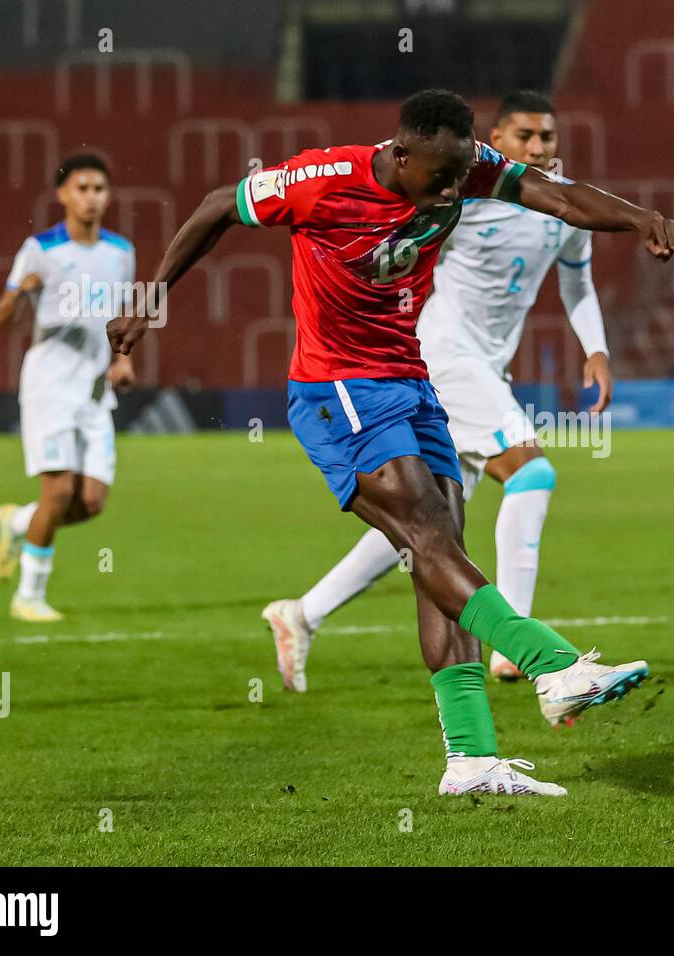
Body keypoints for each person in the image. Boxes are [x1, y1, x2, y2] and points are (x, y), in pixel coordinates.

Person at [106, 89, 674, 797]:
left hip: (410, 378)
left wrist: (640, 219)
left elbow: (555, 197)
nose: (450, 193)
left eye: (458, 179)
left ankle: (471, 760)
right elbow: (213, 207)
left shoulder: (463, 164)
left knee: (438, 557)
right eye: (438, 180)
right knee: (427, 535)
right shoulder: (321, 182)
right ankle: (554, 665)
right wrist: (151, 299)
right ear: (400, 153)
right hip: (338, 387)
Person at [261, 90, 610, 687]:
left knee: (431, 527)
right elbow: (403, 206)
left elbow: (578, 285)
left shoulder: (560, 212)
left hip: (485, 367)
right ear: (495, 142)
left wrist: (596, 349)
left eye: (547, 137)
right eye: (524, 136)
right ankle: (518, 646)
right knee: (531, 473)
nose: (538, 147)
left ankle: (304, 612)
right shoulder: (465, 190)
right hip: (441, 351)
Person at [0, 153, 136, 622]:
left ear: (108, 196)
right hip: (49, 386)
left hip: (95, 392)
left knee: (90, 501)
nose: (91, 197)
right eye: (81, 188)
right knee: (57, 493)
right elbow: (0, 316)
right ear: (62, 195)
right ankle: (28, 597)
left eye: (99, 189)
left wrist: (122, 359)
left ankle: (17, 520)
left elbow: (120, 318)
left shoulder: (121, 252)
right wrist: (18, 292)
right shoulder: (40, 249)